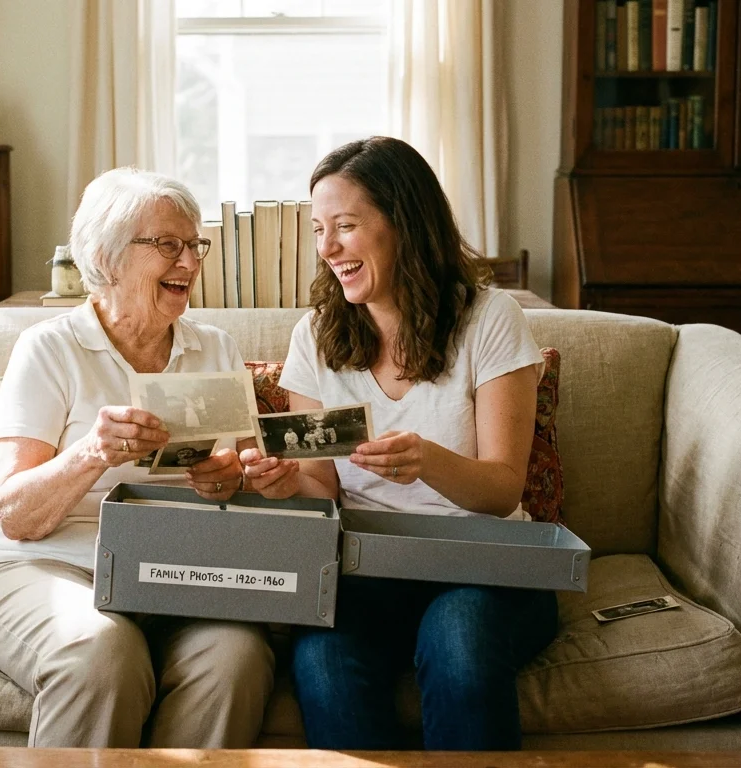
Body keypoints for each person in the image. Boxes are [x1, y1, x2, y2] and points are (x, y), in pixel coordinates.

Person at [239, 136, 558, 751]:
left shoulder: (489, 319)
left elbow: (501, 489)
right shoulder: (318, 334)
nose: (327, 248)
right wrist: (286, 483)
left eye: (346, 226)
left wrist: (427, 462)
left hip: (486, 565)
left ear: (404, 224)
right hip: (368, 571)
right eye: (318, 229)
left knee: (458, 641)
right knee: (323, 664)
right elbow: (322, 489)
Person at [0, 168, 273, 748]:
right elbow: (15, 514)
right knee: (103, 652)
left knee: (238, 657)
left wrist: (226, 480)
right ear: (107, 256)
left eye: (194, 245)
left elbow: (241, 485)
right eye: (167, 245)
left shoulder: (216, 348)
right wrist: (92, 453)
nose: (190, 262)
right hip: (41, 567)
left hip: (175, 573)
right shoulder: (51, 348)